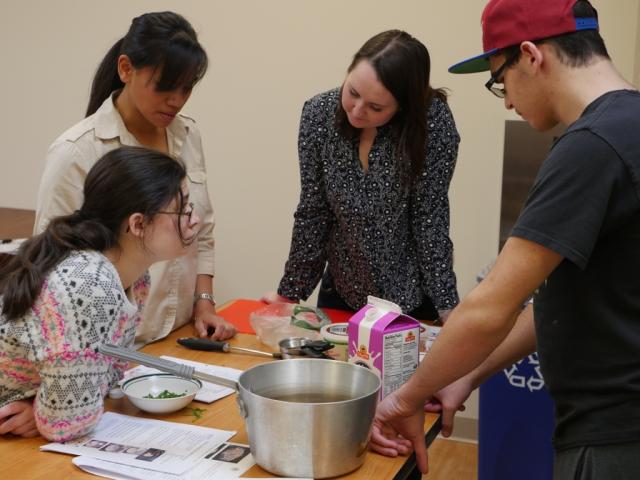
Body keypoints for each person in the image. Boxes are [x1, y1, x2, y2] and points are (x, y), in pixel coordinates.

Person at [370, 1, 640, 478]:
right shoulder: (628, 127)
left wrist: (404, 399)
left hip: (616, 436)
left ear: (533, 57)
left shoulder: (591, 147)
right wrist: (467, 375)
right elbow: (564, 298)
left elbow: (491, 305)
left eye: (500, 81)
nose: (508, 101)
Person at [34, 11, 236, 343]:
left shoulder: (188, 135)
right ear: (126, 69)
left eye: (187, 88)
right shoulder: (77, 151)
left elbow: (203, 230)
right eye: (165, 86)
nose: (177, 100)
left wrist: (204, 305)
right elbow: (50, 266)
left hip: (180, 332)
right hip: (109, 345)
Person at [0, 146, 198, 441]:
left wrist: (44, 406)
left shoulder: (133, 274)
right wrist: (49, 409)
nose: (194, 221)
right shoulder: (89, 283)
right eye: (182, 211)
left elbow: (106, 378)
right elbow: (67, 425)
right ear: (138, 224)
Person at [265, 30, 460, 321]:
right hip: (343, 290)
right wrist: (289, 293)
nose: (357, 111)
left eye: (375, 107)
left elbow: (429, 218)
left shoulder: (433, 123)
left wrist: (448, 307)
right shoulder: (319, 115)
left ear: (403, 105)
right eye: (352, 92)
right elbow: (314, 212)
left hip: (412, 298)